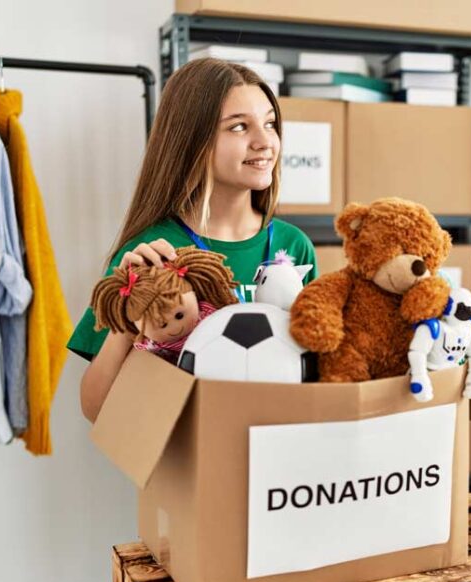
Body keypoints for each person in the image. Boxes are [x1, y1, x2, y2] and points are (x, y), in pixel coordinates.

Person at [67, 58, 317, 422]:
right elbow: (96, 410)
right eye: (238, 127)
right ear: (192, 140)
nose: (265, 142)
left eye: (270, 124)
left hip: (276, 459)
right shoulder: (150, 252)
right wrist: (127, 317)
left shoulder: (294, 247)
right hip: (191, 466)